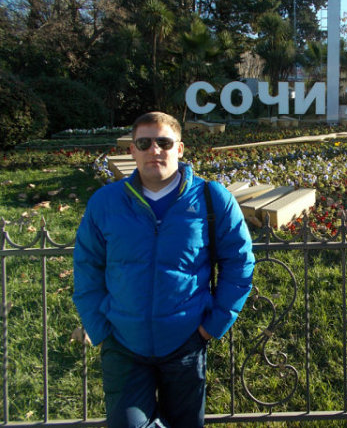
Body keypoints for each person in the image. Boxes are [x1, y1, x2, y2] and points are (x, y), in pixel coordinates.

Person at [73, 111, 255, 427]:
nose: (154, 150)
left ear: (179, 149)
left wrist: (212, 326)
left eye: (164, 142)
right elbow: (87, 266)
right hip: (123, 344)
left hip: (185, 343)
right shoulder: (105, 202)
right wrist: (99, 328)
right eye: (144, 143)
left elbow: (239, 263)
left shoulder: (212, 198)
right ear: (132, 150)